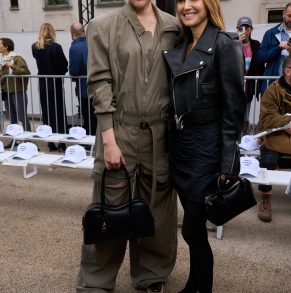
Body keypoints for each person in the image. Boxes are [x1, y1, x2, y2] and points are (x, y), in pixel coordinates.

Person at [75, 1, 180, 293]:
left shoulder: (174, 27)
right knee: (111, 206)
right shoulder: (103, 26)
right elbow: (99, 83)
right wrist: (109, 139)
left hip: (160, 134)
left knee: (158, 206)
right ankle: (96, 281)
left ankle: (151, 274)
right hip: (119, 130)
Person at [163, 0, 246, 292]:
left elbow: (234, 110)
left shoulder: (225, 44)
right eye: (181, 1)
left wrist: (227, 163)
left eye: (193, 0)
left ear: (208, 4)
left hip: (207, 151)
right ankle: (194, 284)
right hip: (183, 148)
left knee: (191, 228)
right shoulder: (182, 43)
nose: (186, 6)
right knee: (194, 230)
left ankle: (202, 287)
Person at [257, 55, 291, 223]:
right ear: (287, 71)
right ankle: (265, 197)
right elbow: (267, 119)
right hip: (274, 137)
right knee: (268, 159)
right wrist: (289, 124)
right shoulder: (272, 90)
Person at [32, 23, 68, 151]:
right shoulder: (56, 47)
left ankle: (50, 142)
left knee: (47, 112)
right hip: (55, 83)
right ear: (52, 32)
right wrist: (60, 72)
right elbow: (63, 64)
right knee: (59, 112)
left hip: (43, 83)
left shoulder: (35, 47)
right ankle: (61, 142)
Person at [0, 37, 31, 148]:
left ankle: (28, 140)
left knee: (22, 116)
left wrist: (11, 65)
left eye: (0, 44)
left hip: (18, 91)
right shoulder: (1, 59)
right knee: (12, 118)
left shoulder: (17, 58)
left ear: (6, 46)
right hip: (7, 92)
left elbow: (26, 72)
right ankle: (14, 140)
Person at [236, 16, 264, 134]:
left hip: (250, 84)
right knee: (235, 108)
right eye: (241, 28)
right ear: (237, 29)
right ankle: (235, 135)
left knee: (247, 109)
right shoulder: (233, 43)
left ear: (251, 29)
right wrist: (238, 43)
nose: (245, 31)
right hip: (236, 83)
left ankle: (244, 134)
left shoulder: (256, 44)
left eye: (247, 28)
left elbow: (260, 63)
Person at [258, 2, 291, 94]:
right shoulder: (270, 33)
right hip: (273, 86)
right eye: (289, 15)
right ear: (283, 14)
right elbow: (261, 58)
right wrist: (278, 48)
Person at [69, 22, 97, 136]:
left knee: (88, 116)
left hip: (84, 88)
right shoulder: (93, 43)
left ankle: (90, 142)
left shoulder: (75, 47)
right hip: (99, 86)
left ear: (72, 34)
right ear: (84, 32)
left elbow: (74, 71)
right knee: (97, 116)